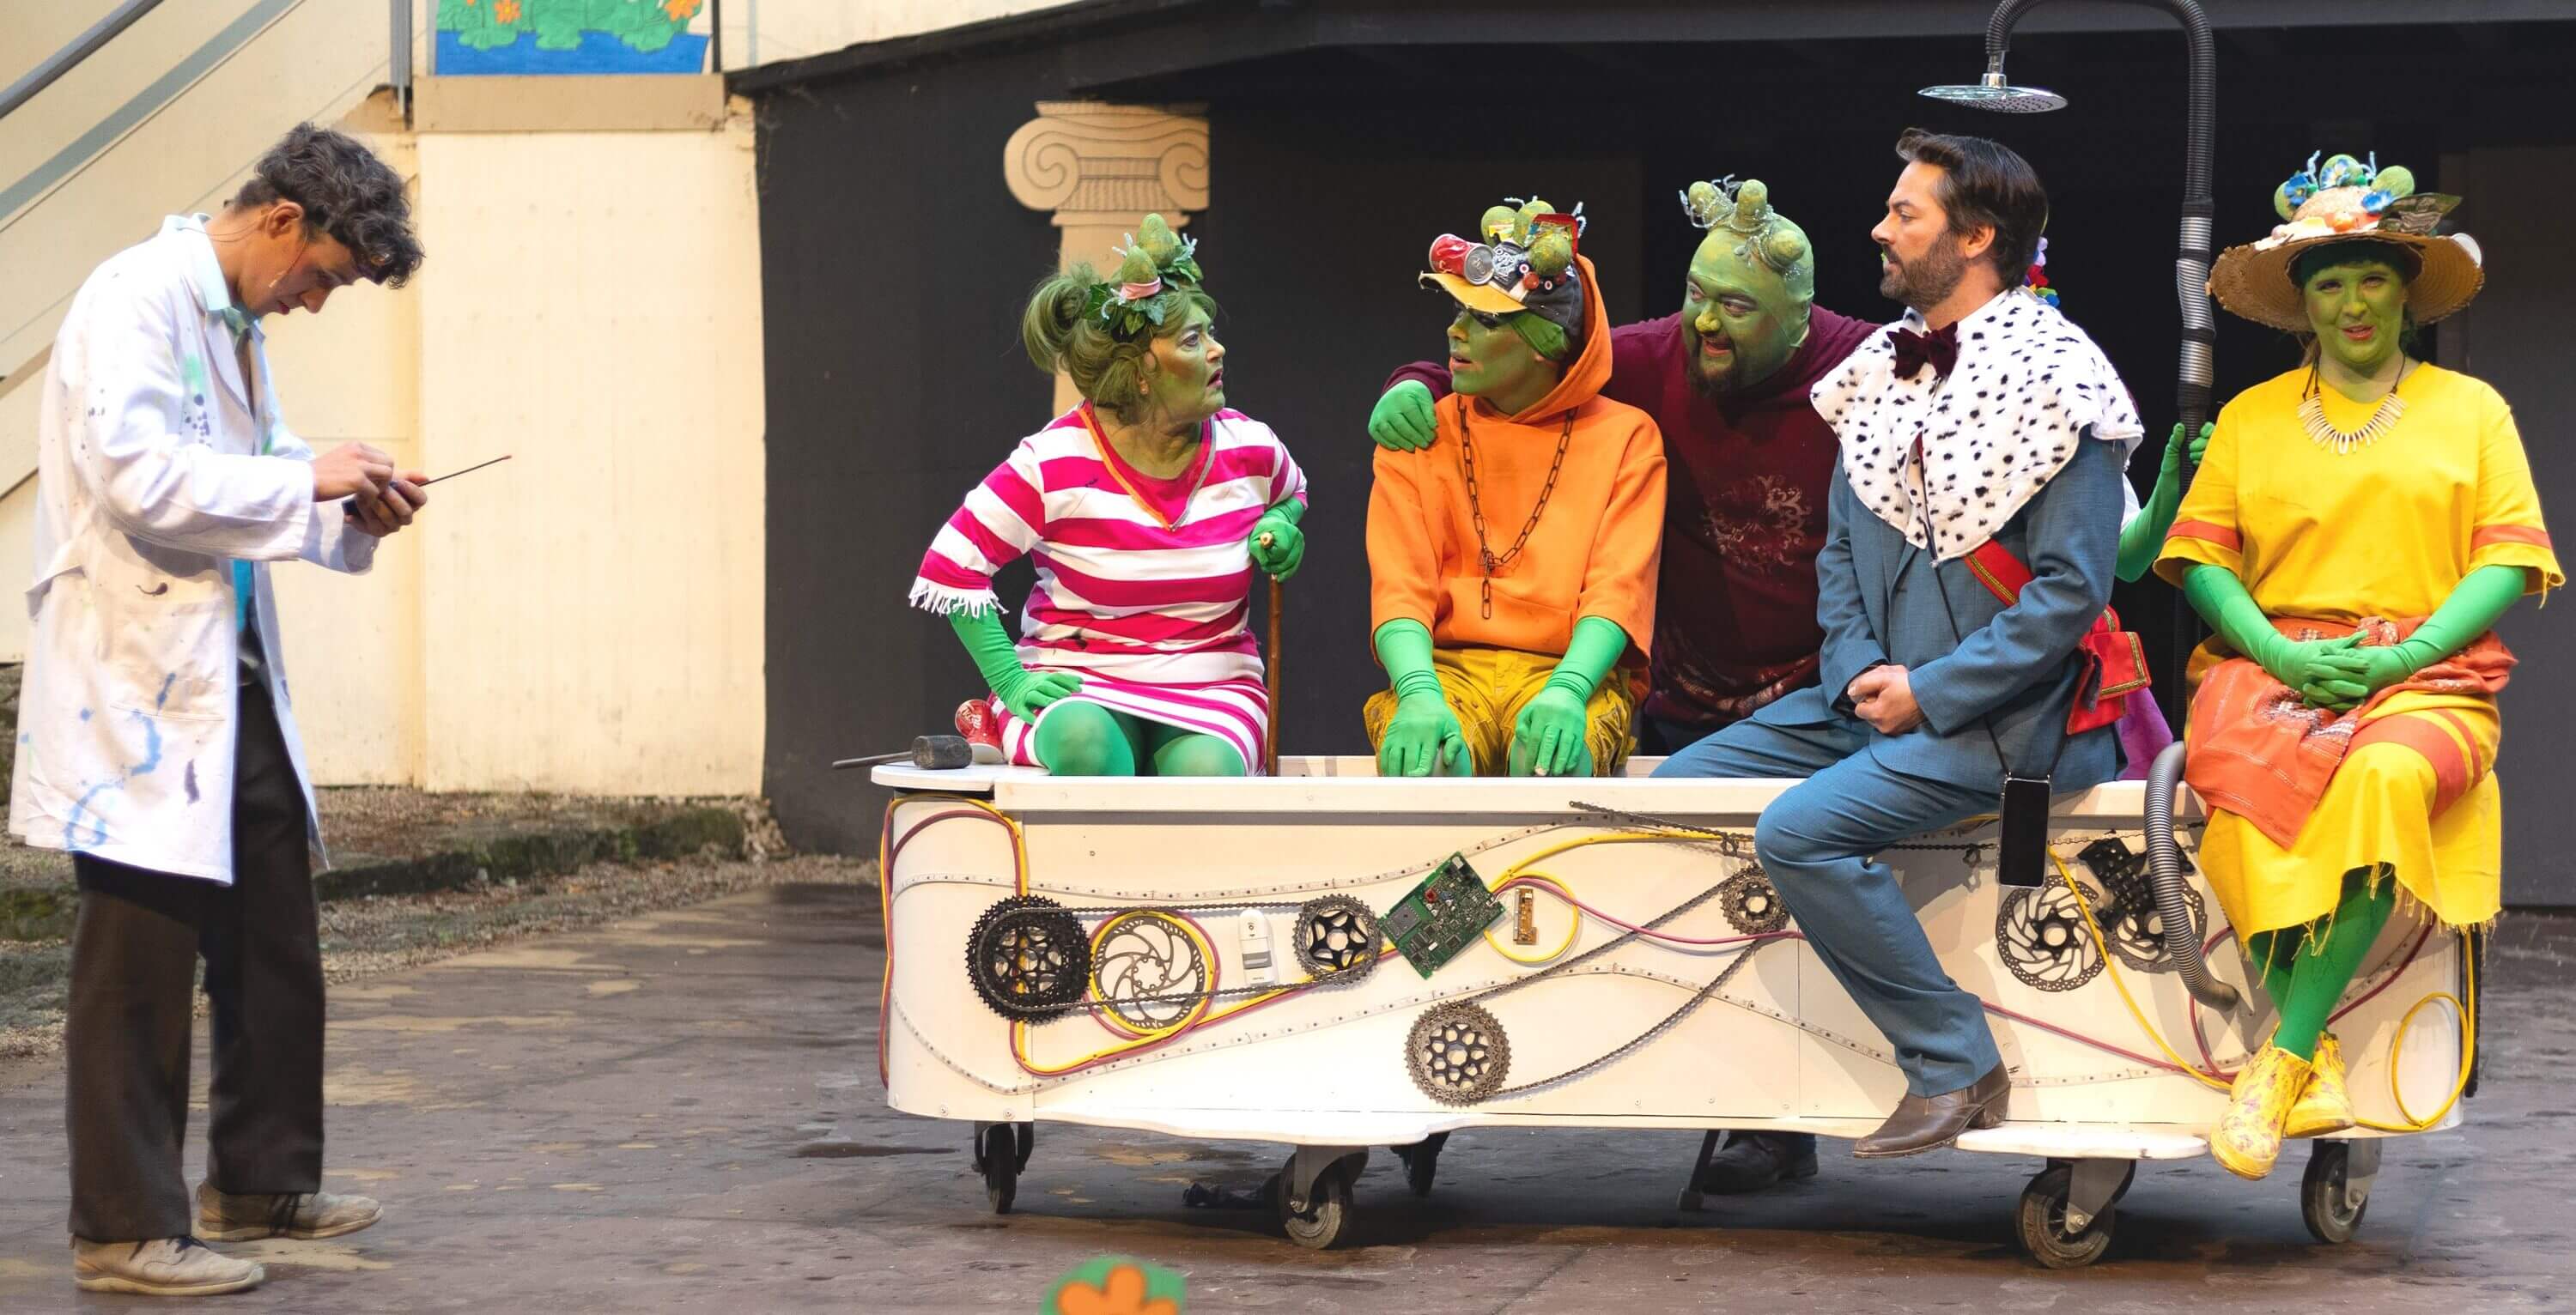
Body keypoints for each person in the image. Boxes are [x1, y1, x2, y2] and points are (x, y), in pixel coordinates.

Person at [1655, 130, 2142, 1157]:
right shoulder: (1880, 369)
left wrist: (1931, 691)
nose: (1880, 229)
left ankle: (1953, 1060)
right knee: (1682, 788)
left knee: (1798, 833)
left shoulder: (2064, 378)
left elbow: (2069, 593)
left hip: (2009, 719)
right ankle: (1776, 1073)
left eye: (1905, 213)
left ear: (1975, 238)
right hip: (1873, 698)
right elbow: (1839, 550)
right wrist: (1855, 673)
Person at [9, 124, 428, 1297]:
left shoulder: (234, 326)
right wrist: (304, 477)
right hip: (136, 684)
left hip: (226, 675)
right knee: (138, 960)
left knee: (274, 935)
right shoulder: (133, 300)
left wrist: (351, 505)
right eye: (324, 276)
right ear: (283, 220)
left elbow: (268, 469)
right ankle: (121, 1226)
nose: (316, 302)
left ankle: (260, 1179)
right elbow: (138, 476)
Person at [2162, 153, 2556, 1180]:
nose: (2353, 301)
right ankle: (2319, 1059)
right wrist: (2277, 650)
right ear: (2302, 302)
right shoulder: (2250, 418)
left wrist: (2410, 654)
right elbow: (2200, 558)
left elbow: (2508, 556)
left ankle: (2283, 1057)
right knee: (2235, 799)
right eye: (2330, 281)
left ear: (2407, 292)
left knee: (2385, 776)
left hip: (2433, 673)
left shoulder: (2473, 409)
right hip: (2273, 667)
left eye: (2373, 277)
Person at [910, 215, 1305, 776]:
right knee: (1086, 746)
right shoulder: (1054, 460)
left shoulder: (1251, 448)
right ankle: (1000, 720)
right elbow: (951, 567)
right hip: (1080, 677)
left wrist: (1281, 528)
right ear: (1141, 374)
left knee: (1207, 777)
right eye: (1193, 340)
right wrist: (1010, 681)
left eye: (1210, 332)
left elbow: (1293, 495)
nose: (1218, 350)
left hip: (1212, 682)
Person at [1363, 197, 1666, 779]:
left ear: (1543, 342)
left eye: (1485, 320)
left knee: (1551, 759)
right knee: (1429, 759)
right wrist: (1419, 691)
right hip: (1446, 670)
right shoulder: (1420, 430)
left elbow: (1618, 586)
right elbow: (1400, 584)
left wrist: (1570, 689)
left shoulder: (1627, 437)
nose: (1455, 330)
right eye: (1459, 310)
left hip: (1567, 671)